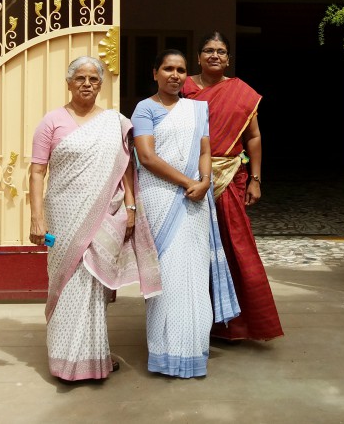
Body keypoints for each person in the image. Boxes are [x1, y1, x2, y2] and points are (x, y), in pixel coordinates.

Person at [28, 56, 161, 382]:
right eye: (80, 78)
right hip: (62, 214)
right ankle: (64, 361)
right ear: (69, 82)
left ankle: (93, 357)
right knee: (67, 281)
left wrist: (131, 207)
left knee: (93, 284)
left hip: (104, 213)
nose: (87, 84)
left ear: (101, 84)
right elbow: (36, 171)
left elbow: (126, 168)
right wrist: (36, 218)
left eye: (94, 79)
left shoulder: (114, 122)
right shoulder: (52, 121)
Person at [131, 49, 239, 378]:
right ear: (155, 73)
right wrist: (190, 182)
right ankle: (166, 352)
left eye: (180, 70)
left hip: (195, 200)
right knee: (167, 277)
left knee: (193, 276)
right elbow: (147, 157)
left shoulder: (196, 109)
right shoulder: (144, 109)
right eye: (168, 69)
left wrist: (205, 181)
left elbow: (206, 150)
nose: (175, 75)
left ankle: (192, 351)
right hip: (161, 199)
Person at [181, 31, 283, 342]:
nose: (215, 55)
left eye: (221, 51)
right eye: (208, 50)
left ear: (228, 58)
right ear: (198, 57)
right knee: (188, 253)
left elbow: (253, 137)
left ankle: (236, 326)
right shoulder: (182, 89)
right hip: (186, 179)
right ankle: (191, 322)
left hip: (227, 178)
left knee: (233, 248)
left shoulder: (241, 92)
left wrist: (255, 178)